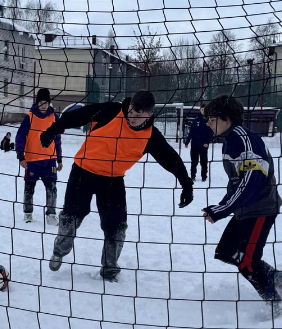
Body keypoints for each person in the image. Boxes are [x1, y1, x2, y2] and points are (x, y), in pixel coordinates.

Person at [40, 90, 194, 282]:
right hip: (82, 172)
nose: (133, 117)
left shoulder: (150, 136)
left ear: (149, 115)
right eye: (131, 111)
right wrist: (52, 130)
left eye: (138, 116)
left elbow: (170, 159)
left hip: (112, 181)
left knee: (116, 226)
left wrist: (186, 184)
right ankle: (59, 251)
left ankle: (110, 268)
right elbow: (78, 116)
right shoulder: (111, 111)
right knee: (71, 217)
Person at [200, 94, 282, 313]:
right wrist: (222, 206)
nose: (208, 123)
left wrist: (222, 209)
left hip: (260, 208)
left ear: (226, 118)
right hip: (244, 209)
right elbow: (237, 183)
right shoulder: (230, 140)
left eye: (211, 119)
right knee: (226, 251)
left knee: (248, 263)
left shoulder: (246, 140)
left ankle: (276, 308)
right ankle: (280, 278)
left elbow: (252, 180)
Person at [16, 88, 63, 225]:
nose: (44, 105)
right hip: (32, 160)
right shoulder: (29, 117)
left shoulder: (54, 117)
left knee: (52, 188)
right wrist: (21, 156)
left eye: (46, 102)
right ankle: (28, 213)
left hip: (50, 161)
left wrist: (59, 159)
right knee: (29, 188)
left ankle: (51, 215)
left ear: (49, 103)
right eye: (41, 102)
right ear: (37, 103)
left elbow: (58, 139)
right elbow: (20, 137)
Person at [183, 103, 213, 182]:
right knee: (194, 162)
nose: (203, 110)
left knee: (204, 162)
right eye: (202, 109)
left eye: (204, 109)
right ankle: (193, 176)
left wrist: (207, 142)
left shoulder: (209, 121)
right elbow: (191, 132)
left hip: (203, 146)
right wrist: (187, 142)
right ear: (200, 110)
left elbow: (210, 133)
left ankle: (204, 177)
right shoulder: (196, 121)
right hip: (194, 145)